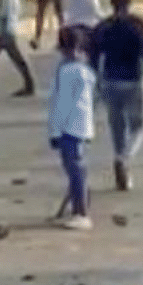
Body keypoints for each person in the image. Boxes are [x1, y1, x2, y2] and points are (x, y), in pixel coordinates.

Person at [89, 0, 143, 191]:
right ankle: (124, 159)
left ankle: (121, 166)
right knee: (138, 126)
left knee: (117, 127)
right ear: (129, 3)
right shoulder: (137, 25)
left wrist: (95, 87)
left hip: (110, 81)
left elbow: (93, 58)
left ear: (111, 3)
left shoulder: (102, 27)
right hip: (133, 81)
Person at [48, 25, 96, 231]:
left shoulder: (67, 71)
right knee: (77, 168)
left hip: (68, 127)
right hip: (82, 126)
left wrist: (54, 132)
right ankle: (77, 206)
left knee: (74, 169)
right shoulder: (86, 70)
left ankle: (81, 212)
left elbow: (62, 104)